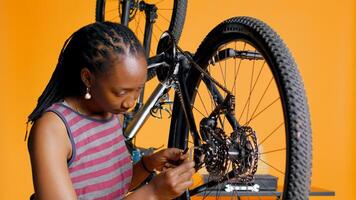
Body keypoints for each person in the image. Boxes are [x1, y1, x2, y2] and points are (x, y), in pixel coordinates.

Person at [27, 21, 195, 200]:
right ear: (88, 78)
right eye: (121, 92)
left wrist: (148, 165)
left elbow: (108, 188)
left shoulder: (113, 114)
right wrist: (152, 193)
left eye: (138, 89)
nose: (130, 103)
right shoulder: (53, 130)